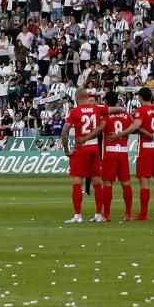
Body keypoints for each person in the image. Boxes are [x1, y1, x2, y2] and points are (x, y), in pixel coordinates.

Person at [61, 88, 106, 223]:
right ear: (87, 97)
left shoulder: (75, 111)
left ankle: (78, 215)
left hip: (81, 148)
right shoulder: (96, 109)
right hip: (94, 148)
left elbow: (65, 131)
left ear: (76, 98)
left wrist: (66, 149)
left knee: (77, 181)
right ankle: (99, 214)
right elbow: (112, 111)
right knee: (97, 182)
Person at [127, 87, 154, 221]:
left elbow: (136, 126)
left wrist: (121, 133)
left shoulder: (140, 110)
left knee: (144, 181)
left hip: (145, 148)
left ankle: (143, 214)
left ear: (140, 98)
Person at [100, 91, 135, 221]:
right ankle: (128, 214)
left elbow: (100, 128)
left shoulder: (105, 115)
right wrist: (124, 135)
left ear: (107, 102)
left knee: (108, 183)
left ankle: (107, 214)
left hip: (109, 151)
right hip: (123, 151)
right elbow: (133, 127)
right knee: (125, 182)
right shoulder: (126, 114)